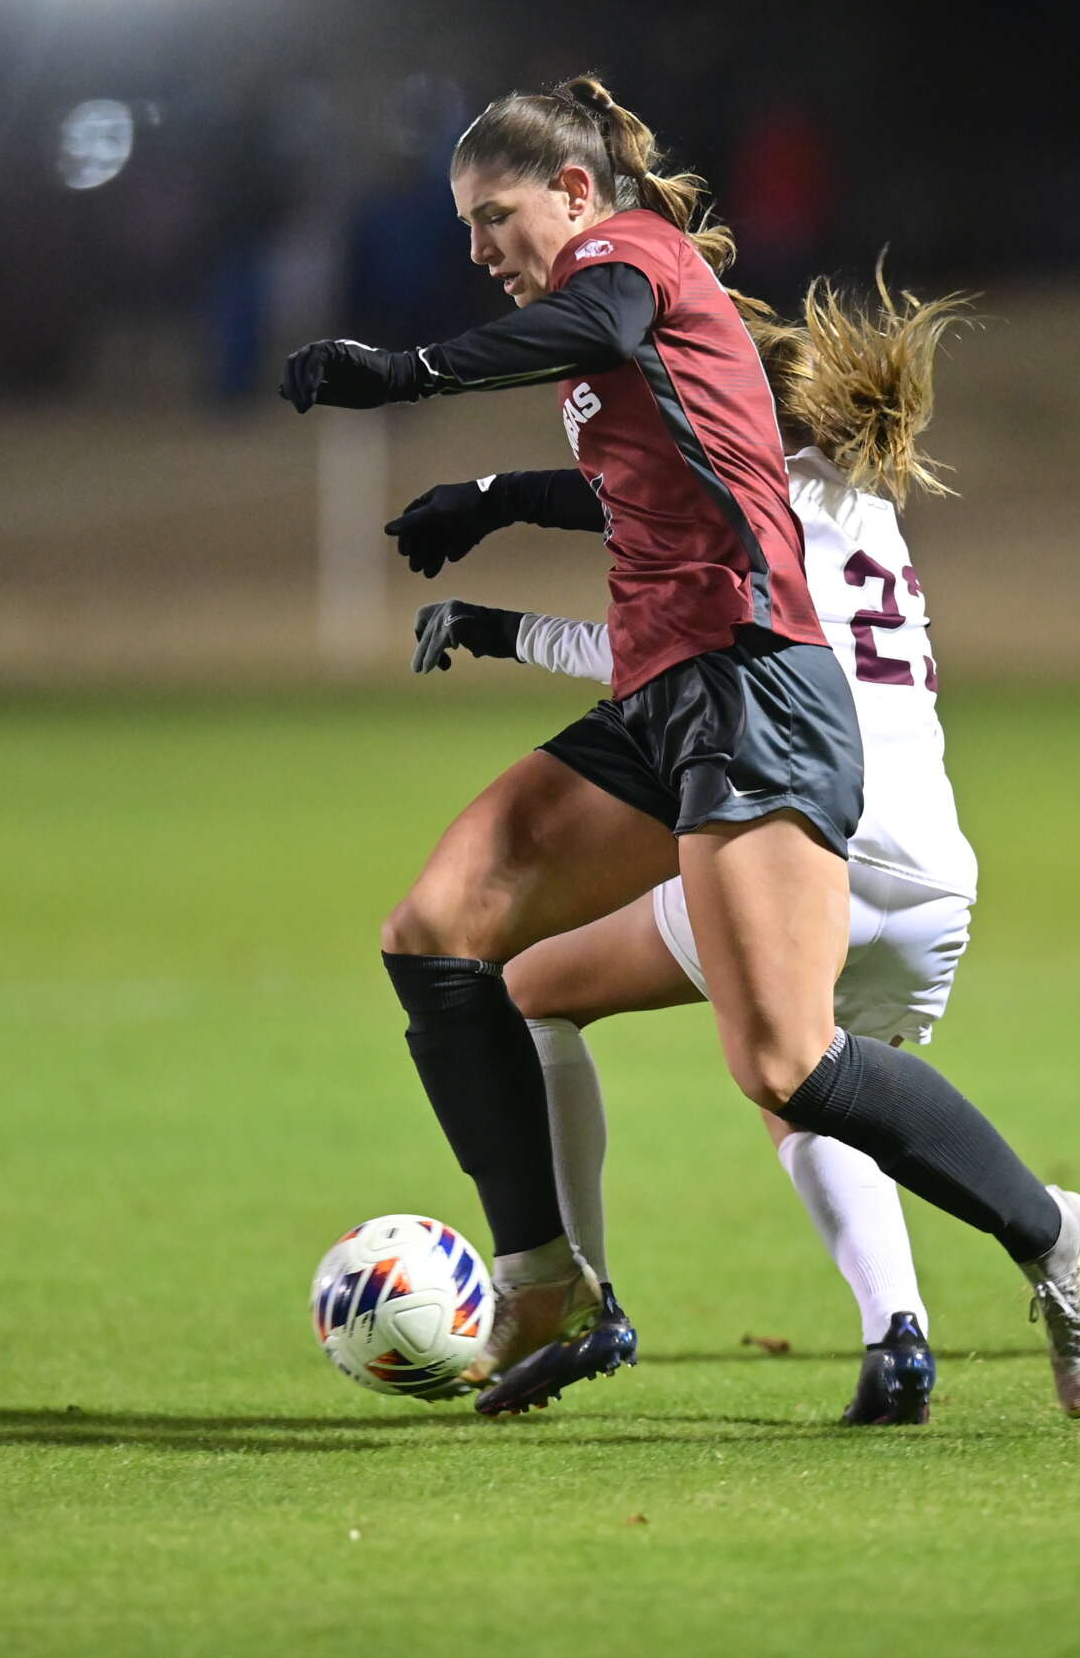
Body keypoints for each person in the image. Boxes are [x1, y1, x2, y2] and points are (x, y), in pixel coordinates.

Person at [277, 77, 1080, 1418]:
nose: (480, 248)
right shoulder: (617, 337)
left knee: (785, 1062)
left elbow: (598, 316)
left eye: (494, 217)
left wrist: (403, 375)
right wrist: (490, 503)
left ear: (571, 193)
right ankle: (545, 1276)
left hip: (754, 685)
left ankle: (1050, 1229)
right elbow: (638, 478)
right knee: (440, 929)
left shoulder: (633, 260)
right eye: (464, 227)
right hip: (666, 700)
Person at [399, 269, 978, 1423]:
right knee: (806, 1084)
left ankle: (580, 1290)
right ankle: (897, 1333)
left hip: (815, 832)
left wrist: (496, 615)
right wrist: (502, 521)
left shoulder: (740, 503)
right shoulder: (866, 513)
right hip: (938, 883)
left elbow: (663, 661)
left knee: (526, 990)